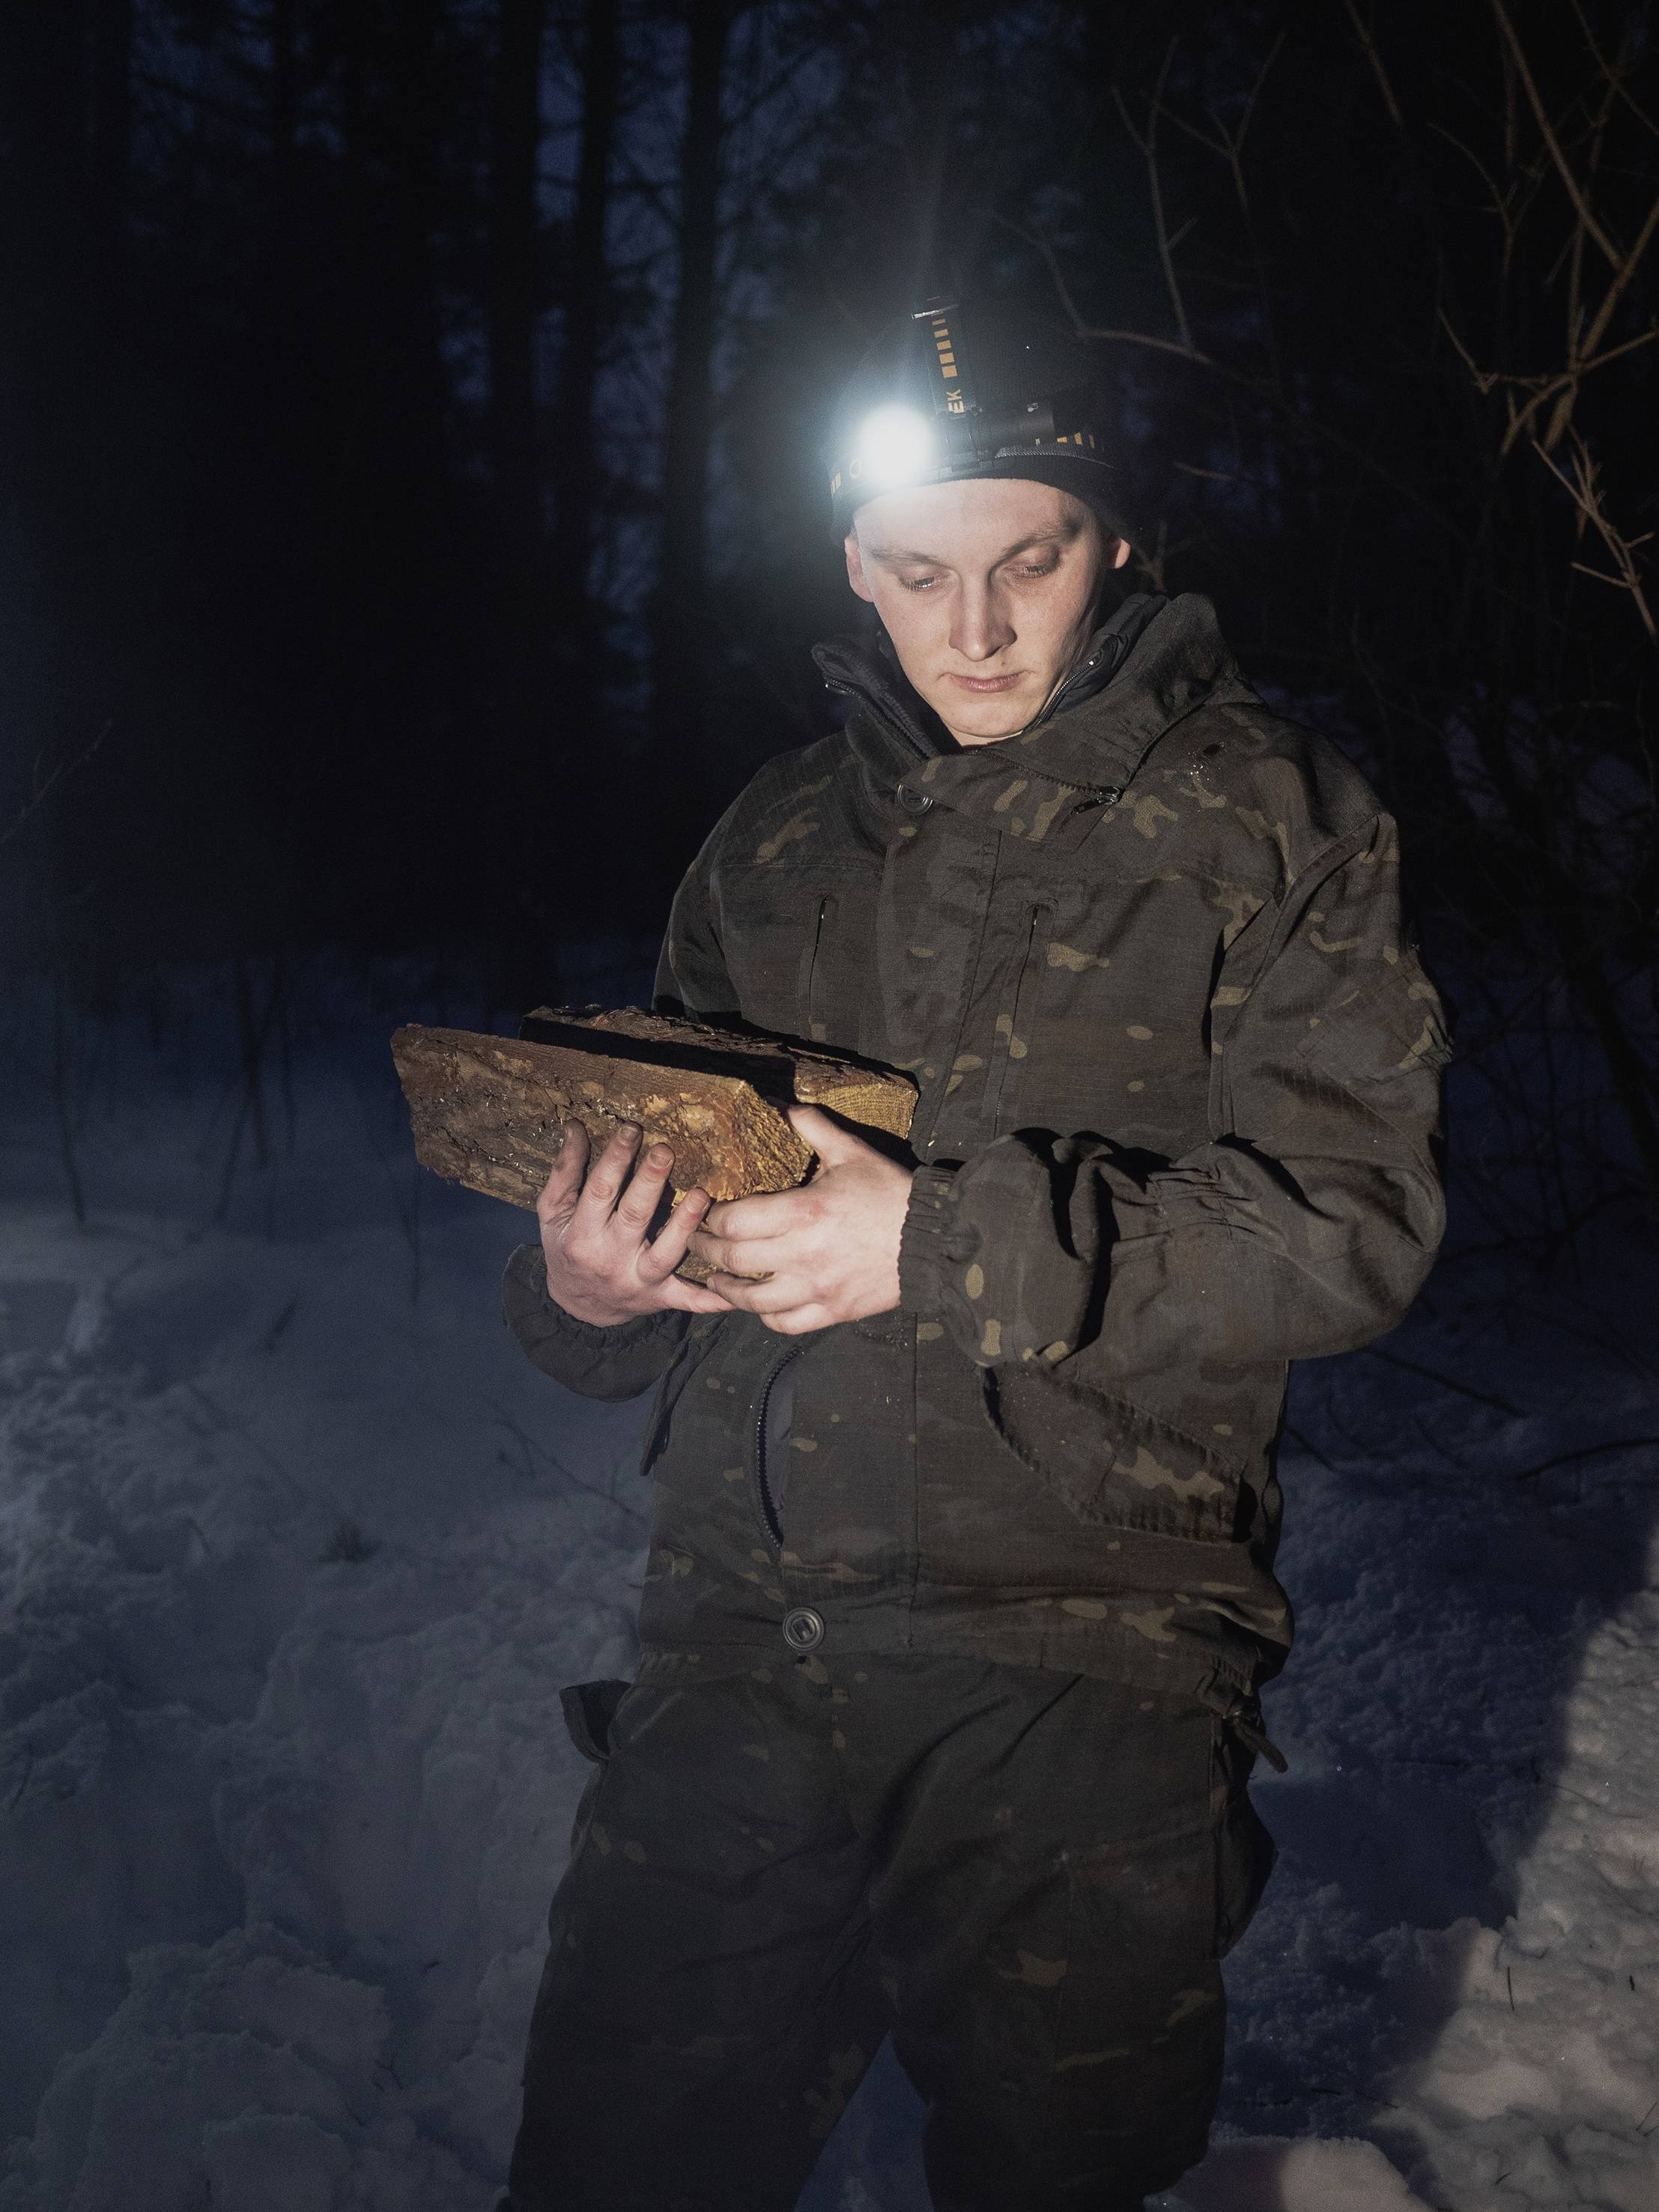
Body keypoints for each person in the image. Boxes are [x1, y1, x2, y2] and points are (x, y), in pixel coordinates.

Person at [497, 299, 1449, 2211]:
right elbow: (644, 1218)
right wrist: (590, 1289)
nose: (979, 630)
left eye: (1032, 560)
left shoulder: (1275, 827)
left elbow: (1355, 1227)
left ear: (1115, 540)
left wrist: (935, 1243)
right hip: (739, 1645)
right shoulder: (767, 841)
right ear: (855, 562)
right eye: (920, 574)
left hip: (1081, 1649)